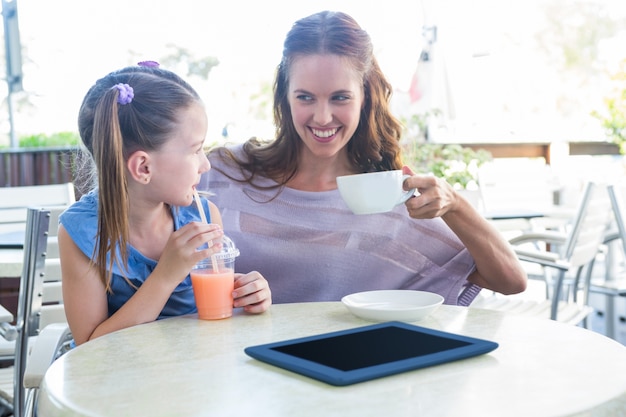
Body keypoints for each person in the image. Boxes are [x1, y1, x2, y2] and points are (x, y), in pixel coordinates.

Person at [199, 10, 527, 305]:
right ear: (285, 97)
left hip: (339, 367)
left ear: (365, 97)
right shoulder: (221, 172)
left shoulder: (387, 200)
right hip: (228, 366)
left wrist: (454, 203)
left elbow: (510, 280)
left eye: (340, 97)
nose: (323, 117)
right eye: (305, 97)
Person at [59, 63, 272, 346]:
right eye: (196, 150)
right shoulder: (82, 233)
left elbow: (217, 321)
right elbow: (89, 345)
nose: (205, 164)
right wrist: (166, 276)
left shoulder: (203, 217)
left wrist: (246, 294)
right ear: (143, 168)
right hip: (117, 383)